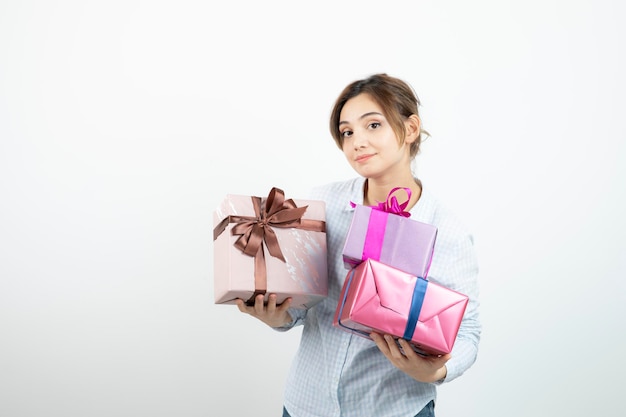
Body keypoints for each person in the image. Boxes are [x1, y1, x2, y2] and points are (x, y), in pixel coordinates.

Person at [235, 73, 481, 417]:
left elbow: (468, 332)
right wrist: (277, 316)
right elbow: (301, 307)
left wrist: (435, 371)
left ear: (410, 129)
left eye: (373, 125)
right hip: (306, 404)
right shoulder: (321, 205)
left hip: (393, 407)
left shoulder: (446, 229)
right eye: (347, 131)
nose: (356, 142)